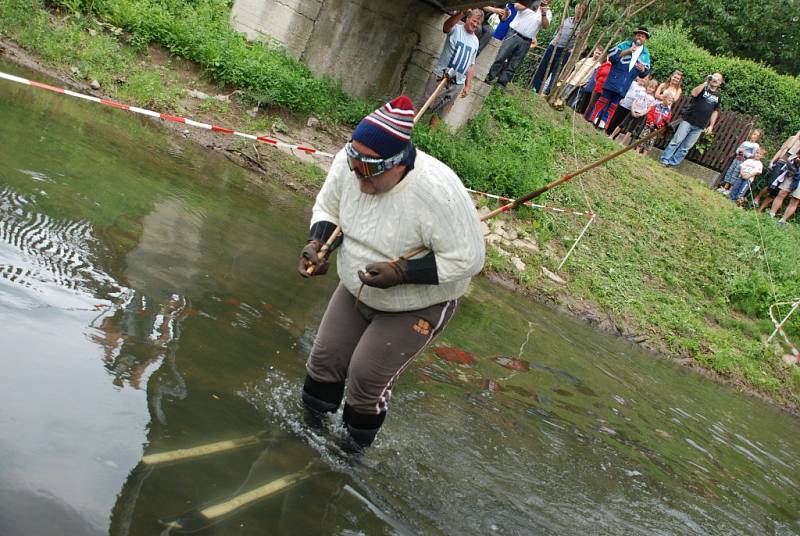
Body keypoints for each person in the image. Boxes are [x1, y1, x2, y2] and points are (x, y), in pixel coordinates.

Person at [297, 96, 485, 449]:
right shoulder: (350, 163)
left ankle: (349, 454)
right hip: (357, 286)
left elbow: (469, 259)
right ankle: (306, 433)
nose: (358, 181)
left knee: (365, 380)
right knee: (324, 360)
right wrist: (318, 244)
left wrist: (402, 271)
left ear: (397, 165)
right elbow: (329, 206)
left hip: (417, 302)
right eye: (354, 168)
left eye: (368, 173)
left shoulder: (439, 191)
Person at [420, 9, 482, 128]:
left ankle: (429, 138)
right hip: (441, 76)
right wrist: (462, 13)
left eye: (478, 23)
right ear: (468, 18)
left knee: (441, 113)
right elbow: (446, 27)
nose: (475, 24)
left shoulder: (476, 41)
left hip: (457, 83)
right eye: (474, 21)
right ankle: (405, 130)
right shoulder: (456, 29)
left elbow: (471, 64)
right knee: (424, 105)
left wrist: (467, 85)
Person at [589, 27, 651, 129]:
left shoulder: (645, 54)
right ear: (635, 36)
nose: (640, 37)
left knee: (613, 105)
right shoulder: (624, 44)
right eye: (638, 35)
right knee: (603, 100)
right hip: (613, 79)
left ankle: (603, 124)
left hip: (625, 84)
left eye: (643, 36)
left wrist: (642, 69)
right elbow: (612, 56)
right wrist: (628, 51)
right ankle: (594, 119)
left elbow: (645, 73)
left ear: (646, 39)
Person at [660, 72, 723, 168]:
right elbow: (694, 93)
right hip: (688, 120)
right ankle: (664, 159)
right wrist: (706, 82)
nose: (715, 80)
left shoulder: (718, 96)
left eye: (718, 79)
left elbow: (715, 111)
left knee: (686, 147)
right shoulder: (703, 88)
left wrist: (711, 126)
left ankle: (672, 164)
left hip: (700, 126)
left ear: (720, 83)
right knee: (676, 141)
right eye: (714, 77)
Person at [486, 0, 552, 89]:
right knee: (501, 56)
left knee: (514, 64)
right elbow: (517, 6)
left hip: (527, 40)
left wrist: (543, 14)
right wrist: (532, 4)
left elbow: (545, 26)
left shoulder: (548, 12)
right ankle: (489, 77)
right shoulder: (529, 2)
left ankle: (501, 84)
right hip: (514, 33)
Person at [530, 2, 584, 94]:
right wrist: (553, 39)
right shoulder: (567, 19)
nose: (578, 12)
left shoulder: (582, 26)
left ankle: (548, 92)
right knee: (543, 67)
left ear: (583, 12)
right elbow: (558, 30)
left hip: (565, 51)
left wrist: (571, 50)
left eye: (580, 10)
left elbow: (581, 43)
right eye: (577, 9)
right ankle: (535, 88)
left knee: (556, 72)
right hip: (553, 46)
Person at [753, 130, 800, 210]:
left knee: (776, 191)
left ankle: (760, 209)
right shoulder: (793, 138)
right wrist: (772, 161)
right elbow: (782, 150)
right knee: (771, 185)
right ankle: (757, 198)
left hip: (790, 170)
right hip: (781, 163)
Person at [717, 129, 762, 195]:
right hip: (736, 159)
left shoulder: (756, 145)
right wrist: (739, 151)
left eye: (757, 136)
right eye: (754, 134)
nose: (755, 136)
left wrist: (745, 153)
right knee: (731, 171)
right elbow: (737, 150)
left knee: (736, 174)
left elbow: (753, 155)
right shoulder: (745, 142)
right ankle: (725, 187)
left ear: (758, 138)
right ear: (751, 134)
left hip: (743, 162)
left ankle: (730, 190)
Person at [614, 78, 657, 145]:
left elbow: (649, 108)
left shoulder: (652, 99)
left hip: (640, 114)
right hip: (633, 111)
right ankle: (612, 136)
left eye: (652, 88)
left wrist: (641, 114)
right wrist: (632, 110)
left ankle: (622, 142)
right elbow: (634, 101)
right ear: (647, 86)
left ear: (654, 90)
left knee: (631, 129)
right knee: (622, 124)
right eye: (649, 87)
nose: (650, 89)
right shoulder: (640, 93)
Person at [768, 153, 800, 225]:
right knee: (781, 193)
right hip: (794, 174)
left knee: (795, 200)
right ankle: (771, 215)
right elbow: (792, 158)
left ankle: (782, 221)